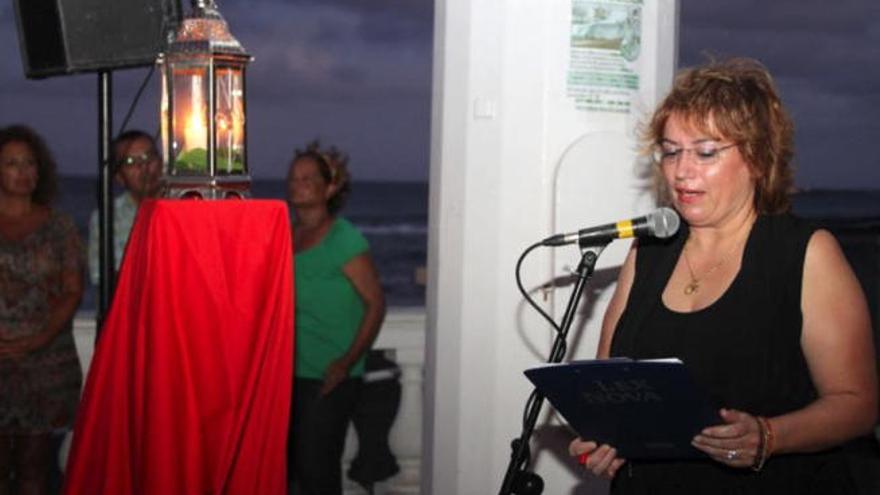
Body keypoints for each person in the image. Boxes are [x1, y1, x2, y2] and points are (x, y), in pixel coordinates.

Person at [568, 58, 878, 493]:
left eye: (706, 152)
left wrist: (769, 436)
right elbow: (608, 386)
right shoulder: (650, 250)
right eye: (671, 151)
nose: (681, 170)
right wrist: (599, 438)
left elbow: (858, 405)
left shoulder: (803, 253)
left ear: (756, 157)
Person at [286, 141, 386, 495]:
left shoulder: (344, 240)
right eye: (293, 177)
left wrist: (346, 363)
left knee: (317, 470)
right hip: (289, 373)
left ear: (330, 187)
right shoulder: (288, 235)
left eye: (308, 178)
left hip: (330, 375)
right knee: (292, 470)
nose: (297, 183)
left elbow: (376, 304)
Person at [0, 125, 85, 494]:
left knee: (38, 469)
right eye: (12, 163)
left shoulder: (60, 226)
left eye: (30, 163)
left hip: (47, 366)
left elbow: (72, 290)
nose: (23, 172)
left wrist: (38, 338)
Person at [86, 129, 162, 286]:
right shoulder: (107, 217)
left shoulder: (184, 207)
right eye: (131, 162)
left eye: (150, 157)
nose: (144, 167)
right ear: (119, 177)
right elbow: (100, 275)